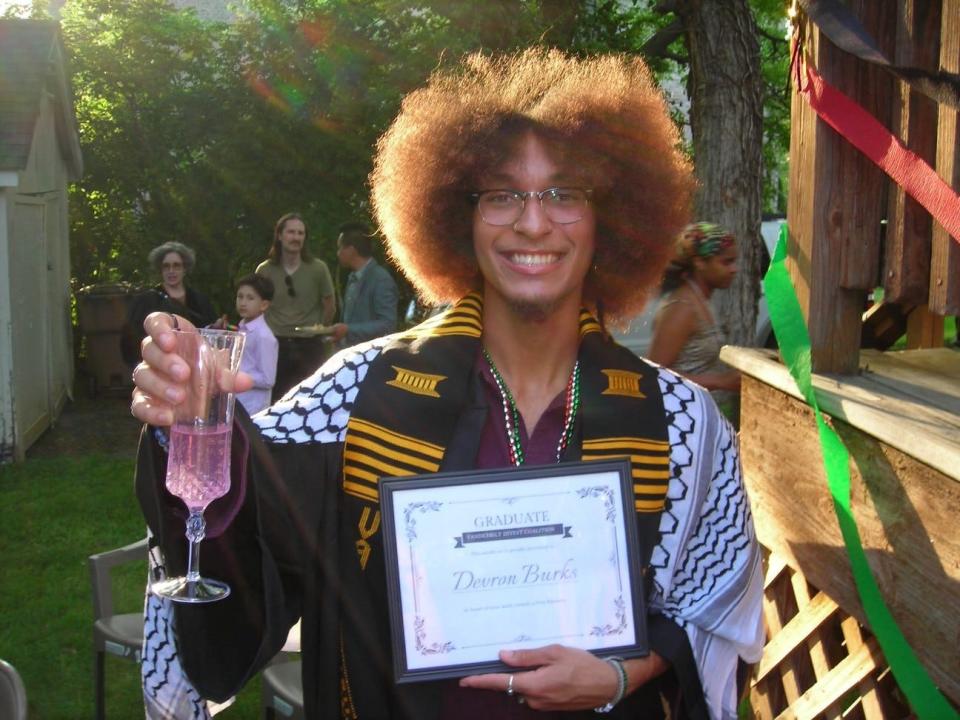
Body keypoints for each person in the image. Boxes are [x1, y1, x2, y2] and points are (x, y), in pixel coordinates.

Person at [131, 49, 763, 720]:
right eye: (502, 193)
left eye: (564, 193)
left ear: (610, 217)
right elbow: (257, 524)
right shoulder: (356, 392)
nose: (533, 222)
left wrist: (619, 677)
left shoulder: (680, 421)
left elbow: (715, 605)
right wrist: (201, 422)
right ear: (458, 216)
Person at [647, 222, 741, 415]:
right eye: (726, 262)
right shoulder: (682, 307)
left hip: (697, 417)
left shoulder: (701, 300)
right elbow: (654, 375)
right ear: (699, 262)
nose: (734, 269)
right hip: (677, 420)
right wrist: (721, 381)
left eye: (734, 262)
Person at [255, 213, 336, 401]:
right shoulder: (265, 270)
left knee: (311, 400)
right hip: (275, 345)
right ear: (280, 236)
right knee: (274, 400)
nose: (296, 237)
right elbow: (256, 308)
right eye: (291, 232)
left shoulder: (318, 268)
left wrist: (319, 329)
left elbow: (329, 304)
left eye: (301, 233)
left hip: (309, 345)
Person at [122, 241, 218, 366]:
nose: (171, 271)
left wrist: (217, 328)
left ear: (185, 269)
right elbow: (130, 340)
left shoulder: (200, 300)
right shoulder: (146, 301)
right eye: (166, 266)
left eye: (176, 265)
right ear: (160, 269)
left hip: (195, 366)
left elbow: (210, 337)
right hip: (159, 366)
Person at [328, 222, 400, 349]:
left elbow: (388, 324)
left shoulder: (381, 279)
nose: (338, 253)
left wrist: (348, 330)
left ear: (351, 250)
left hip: (372, 357)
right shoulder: (353, 277)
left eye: (340, 248)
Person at [234, 273, 279, 416]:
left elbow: (268, 379)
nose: (243, 302)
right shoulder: (241, 329)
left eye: (250, 298)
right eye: (240, 296)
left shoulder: (264, 336)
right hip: (237, 401)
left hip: (253, 407)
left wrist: (237, 377)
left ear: (264, 305)